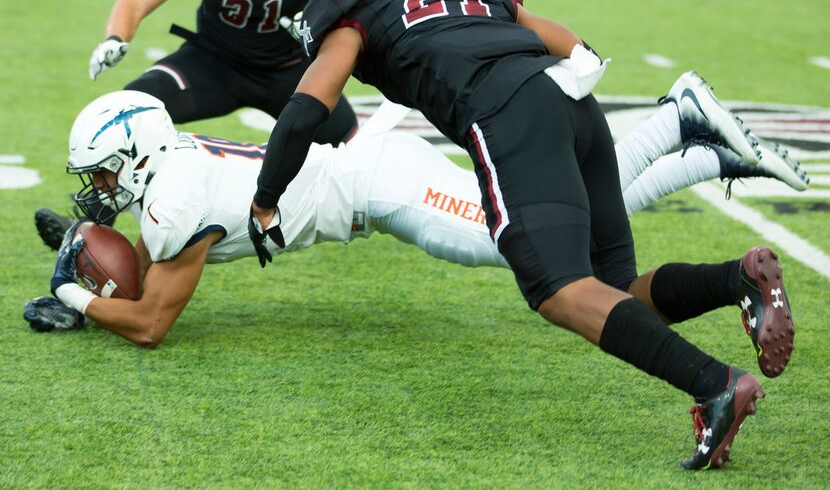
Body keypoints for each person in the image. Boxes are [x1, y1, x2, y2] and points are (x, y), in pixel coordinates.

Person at [246, 0, 796, 470]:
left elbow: (304, 112)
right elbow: (566, 42)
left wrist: (266, 201)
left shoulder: (354, 1)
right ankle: (739, 279)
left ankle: (715, 385)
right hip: (572, 100)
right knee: (618, 292)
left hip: (508, 113)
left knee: (558, 291)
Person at [27, 86, 803, 362]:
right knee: (565, 241)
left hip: (381, 183)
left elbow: (154, 320)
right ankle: (700, 151)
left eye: (101, 173)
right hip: (367, 168)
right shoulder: (171, 172)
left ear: (134, 158)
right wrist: (84, 257)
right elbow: (146, 270)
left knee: (538, 244)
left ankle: (676, 123)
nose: (99, 189)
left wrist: (78, 297)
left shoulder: (170, 201)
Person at [33, 0, 358, 247]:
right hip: (213, 63)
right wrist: (117, 36)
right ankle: (90, 233)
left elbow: (350, 24)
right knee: (124, 119)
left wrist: (317, 28)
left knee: (354, 150)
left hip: (289, 71)